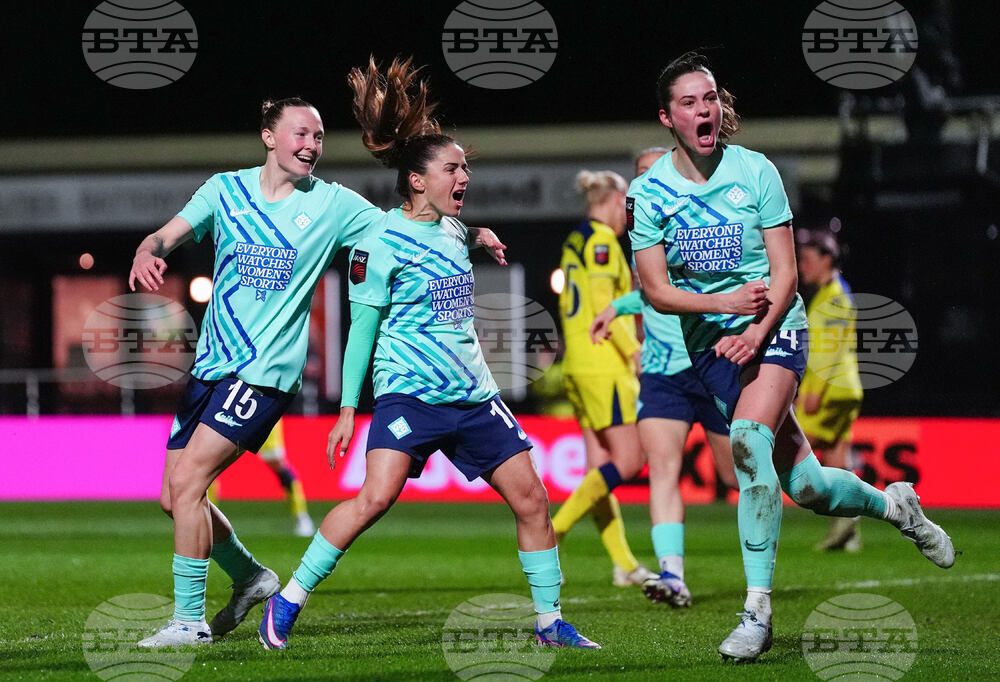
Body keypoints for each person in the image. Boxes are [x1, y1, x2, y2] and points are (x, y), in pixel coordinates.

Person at [129, 96, 505, 647]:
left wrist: (471, 233)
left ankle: (188, 622)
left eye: (320, 137)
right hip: (212, 363)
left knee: (188, 484)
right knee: (174, 497)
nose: (311, 146)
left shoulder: (332, 204)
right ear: (268, 137)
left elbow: (406, 225)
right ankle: (252, 578)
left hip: (264, 372)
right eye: (301, 134)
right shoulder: (224, 191)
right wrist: (148, 249)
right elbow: (168, 234)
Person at [258, 56, 599, 651]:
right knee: (375, 498)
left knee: (534, 500)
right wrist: (345, 410)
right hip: (409, 394)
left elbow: (452, 234)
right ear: (418, 180)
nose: (464, 177)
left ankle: (550, 624)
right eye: (453, 168)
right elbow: (361, 329)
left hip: (473, 395)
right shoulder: (378, 241)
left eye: (466, 167)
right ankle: (287, 602)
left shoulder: (452, 228)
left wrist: (480, 232)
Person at [628, 52, 954, 663]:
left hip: (775, 328)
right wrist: (724, 303)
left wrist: (757, 328)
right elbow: (653, 290)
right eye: (690, 102)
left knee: (749, 440)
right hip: (712, 348)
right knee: (806, 486)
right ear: (667, 118)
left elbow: (785, 273)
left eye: (712, 98)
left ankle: (756, 612)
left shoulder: (757, 173)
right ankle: (894, 505)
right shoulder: (648, 194)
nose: (706, 110)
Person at [588, 146, 737, 607]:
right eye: (638, 175)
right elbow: (652, 293)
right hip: (662, 373)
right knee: (663, 472)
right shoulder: (641, 232)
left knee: (736, 475)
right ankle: (672, 575)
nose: (644, 183)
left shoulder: (702, 222)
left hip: (711, 360)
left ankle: (835, 497)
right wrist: (619, 306)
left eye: (653, 172)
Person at [551, 169, 656, 589]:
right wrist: (634, 353)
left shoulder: (574, 240)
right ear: (615, 200)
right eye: (626, 204)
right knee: (630, 460)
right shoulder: (601, 242)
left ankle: (624, 565)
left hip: (577, 363)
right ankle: (554, 530)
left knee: (600, 471)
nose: (627, 213)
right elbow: (601, 306)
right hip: (604, 364)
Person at [795, 228, 864, 551]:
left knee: (791, 448)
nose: (802, 266)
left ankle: (763, 518)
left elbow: (829, 349)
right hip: (844, 388)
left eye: (808, 259)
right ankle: (848, 528)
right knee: (837, 460)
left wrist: (813, 391)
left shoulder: (834, 296)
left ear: (827, 259)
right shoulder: (831, 293)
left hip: (830, 389)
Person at [210, 419, 316, 537]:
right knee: (210, 463)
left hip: (265, 411)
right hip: (236, 411)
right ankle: (208, 519)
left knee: (277, 463)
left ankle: (301, 516)